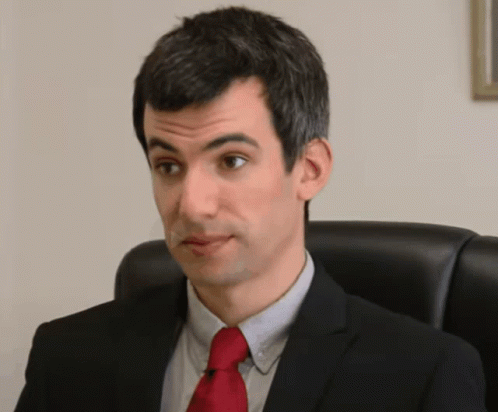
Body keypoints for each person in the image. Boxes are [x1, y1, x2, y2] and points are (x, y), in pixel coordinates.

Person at [15, 6, 487, 412]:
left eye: (231, 161)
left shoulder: (424, 376)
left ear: (310, 169)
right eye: (168, 166)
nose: (192, 205)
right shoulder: (67, 359)